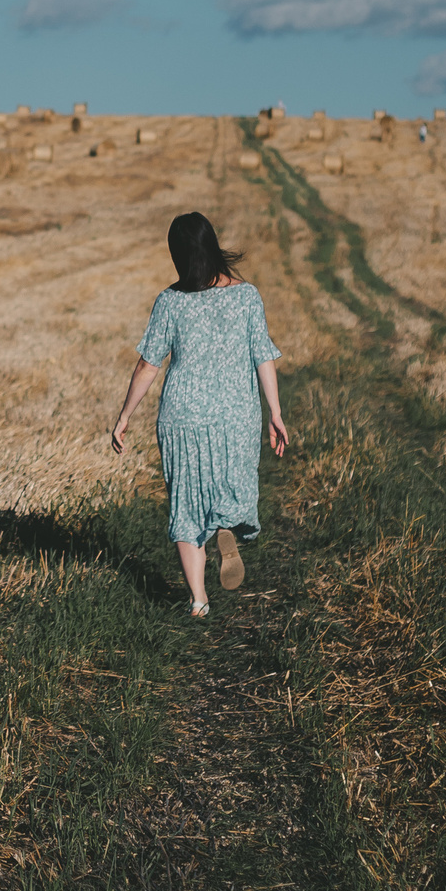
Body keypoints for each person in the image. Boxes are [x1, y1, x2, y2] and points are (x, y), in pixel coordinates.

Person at [108, 213, 291, 617]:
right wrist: (275, 412)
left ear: (178, 256)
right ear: (212, 246)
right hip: (235, 415)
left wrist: (124, 416)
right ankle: (225, 523)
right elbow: (262, 355)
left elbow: (148, 365)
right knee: (234, 487)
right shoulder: (247, 296)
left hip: (182, 416)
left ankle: (198, 600)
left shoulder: (170, 301)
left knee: (185, 502)